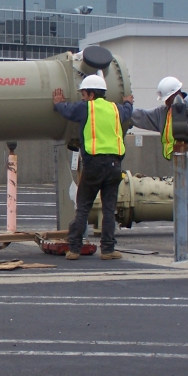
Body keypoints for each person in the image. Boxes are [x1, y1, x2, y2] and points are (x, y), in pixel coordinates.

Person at [53, 74, 133, 260]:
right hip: (114, 165)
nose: (82, 97)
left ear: (90, 94)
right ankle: (107, 249)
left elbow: (67, 111)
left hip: (94, 165)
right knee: (108, 209)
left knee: (83, 207)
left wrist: (58, 103)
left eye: (83, 94)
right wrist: (128, 102)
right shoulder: (115, 109)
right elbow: (127, 111)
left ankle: (74, 248)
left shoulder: (86, 107)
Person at [131, 76, 188, 253]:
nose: (166, 102)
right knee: (184, 202)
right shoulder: (164, 113)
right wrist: (125, 110)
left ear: (176, 94)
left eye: (167, 99)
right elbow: (143, 116)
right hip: (180, 163)